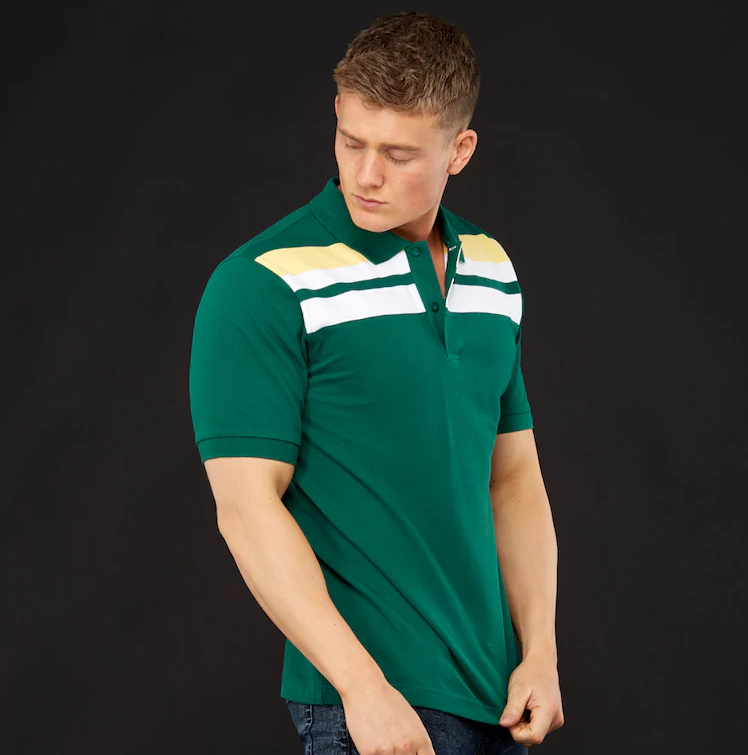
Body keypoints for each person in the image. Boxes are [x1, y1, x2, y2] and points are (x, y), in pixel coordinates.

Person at [189, 10, 563, 755]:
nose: (366, 174)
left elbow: (513, 478)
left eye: (398, 154)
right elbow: (246, 508)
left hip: (499, 700)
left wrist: (541, 652)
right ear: (336, 113)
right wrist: (361, 687)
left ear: (460, 151)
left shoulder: (491, 269)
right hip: (371, 706)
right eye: (352, 140)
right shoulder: (264, 281)